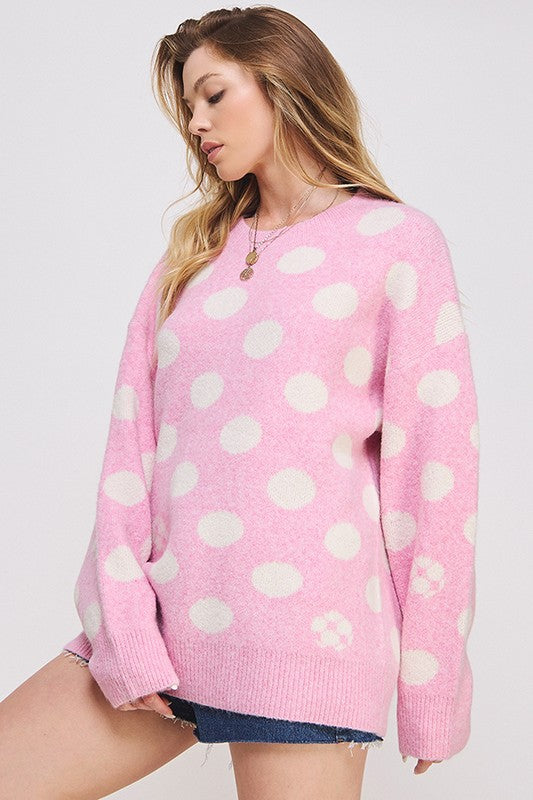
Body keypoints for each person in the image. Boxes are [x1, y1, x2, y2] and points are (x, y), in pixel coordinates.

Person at [0, 5, 479, 799]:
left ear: (283, 82)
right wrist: (124, 631)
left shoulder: (395, 243)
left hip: (304, 646)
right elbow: (129, 457)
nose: (196, 123)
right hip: (162, 631)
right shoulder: (191, 257)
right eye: (188, 105)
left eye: (213, 95)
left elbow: (432, 484)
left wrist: (431, 692)